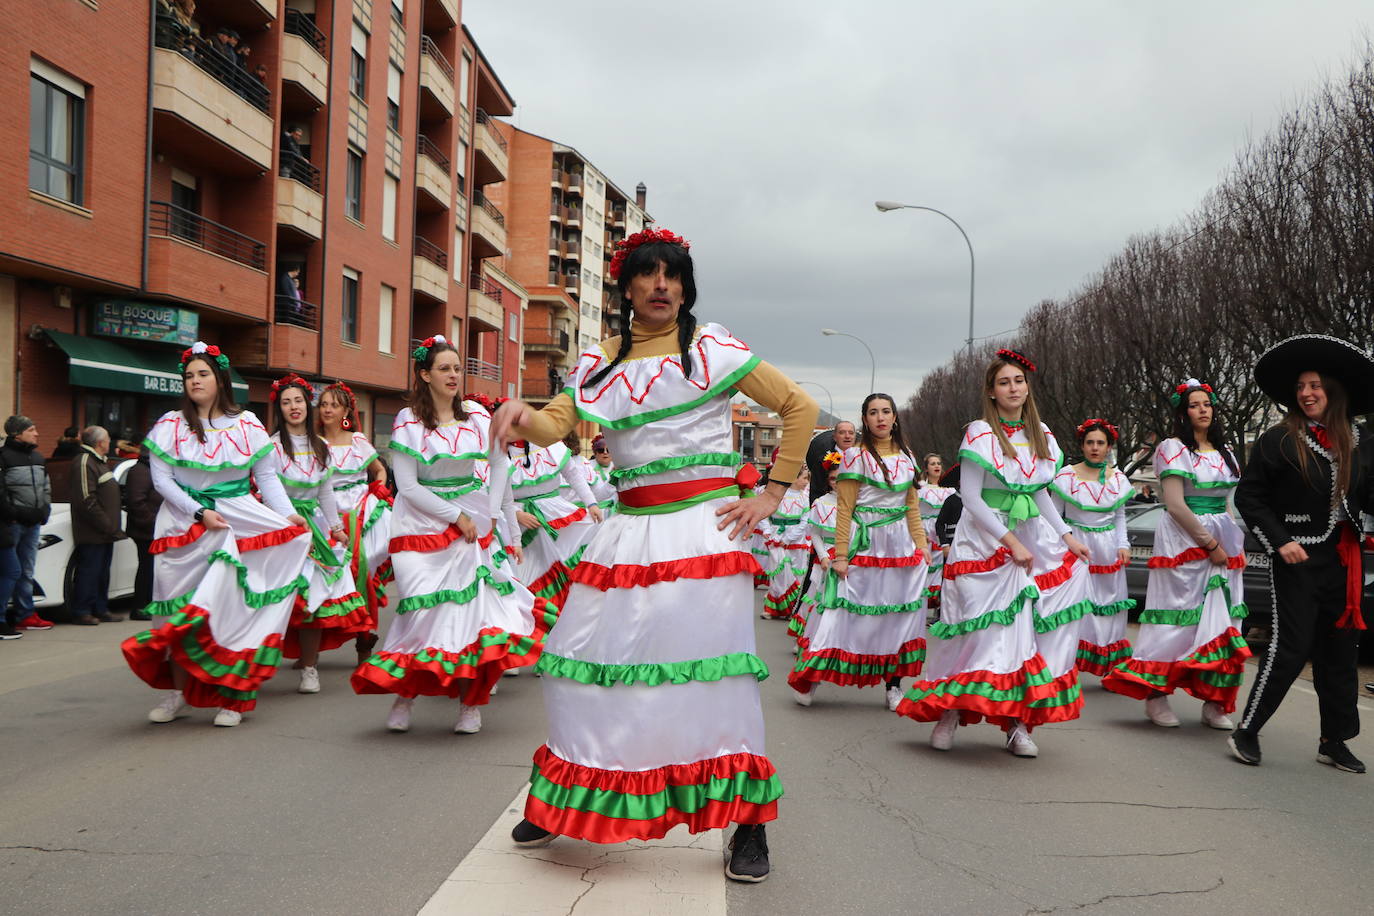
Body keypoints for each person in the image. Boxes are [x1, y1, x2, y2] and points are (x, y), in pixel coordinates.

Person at [491, 227, 818, 883]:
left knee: (710, 675)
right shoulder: (601, 359)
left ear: (685, 286)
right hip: (628, 530)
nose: (662, 284)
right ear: (629, 286)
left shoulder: (711, 349)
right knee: (581, 658)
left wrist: (774, 492)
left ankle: (746, 822)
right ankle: (566, 799)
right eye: (649, 273)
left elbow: (798, 406)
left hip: (702, 533)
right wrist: (518, 413)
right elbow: (555, 424)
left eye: (673, 274)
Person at [350, 336, 550, 734]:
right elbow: (407, 487)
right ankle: (405, 694)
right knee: (423, 613)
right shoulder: (408, 420)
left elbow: (499, 466)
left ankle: (469, 706)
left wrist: (491, 514)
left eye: (457, 368)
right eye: (444, 368)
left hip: (471, 526)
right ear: (425, 375)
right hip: (421, 526)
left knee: (475, 617)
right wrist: (456, 515)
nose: (453, 375)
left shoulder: (477, 415)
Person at [897, 349, 1091, 758]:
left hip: (1025, 538)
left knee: (1020, 632)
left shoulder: (1042, 434)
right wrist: (1011, 542)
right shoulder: (980, 433)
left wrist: (1067, 534)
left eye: (1018, 380)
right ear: (991, 390)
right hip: (982, 541)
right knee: (972, 628)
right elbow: (970, 496)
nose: (1013, 388)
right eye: (1004, 382)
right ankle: (950, 712)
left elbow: (1038, 491)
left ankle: (1016, 724)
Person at [122, 342, 312, 727]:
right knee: (178, 610)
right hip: (181, 524)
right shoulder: (170, 424)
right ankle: (177, 695)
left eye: (202, 373)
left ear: (220, 378)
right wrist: (198, 511)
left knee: (231, 610)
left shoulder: (247, 425)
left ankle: (234, 697)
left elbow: (266, 478)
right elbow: (162, 479)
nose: (195, 380)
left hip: (236, 519)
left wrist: (288, 515)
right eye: (189, 375)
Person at [1229, 336, 1374, 772]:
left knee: (1340, 652)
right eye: (1300, 387)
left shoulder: (1362, 439)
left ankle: (1334, 740)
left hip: (1344, 561)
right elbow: (1249, 499)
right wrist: (1280, 540)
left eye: (1315, 386)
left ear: (1333, 390)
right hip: (1296, 560)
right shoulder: (1280, 439)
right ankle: (1248, 730)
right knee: (1290, 650)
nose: (1307, 394)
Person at [1102, 379, 1248, 729]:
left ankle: (1215, 702)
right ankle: (1156, 696)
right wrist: (1208, 544)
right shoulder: (1172, 447)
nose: (1203, 410)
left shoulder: (1224, 449)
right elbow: (1175, 504)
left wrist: (1228, 541)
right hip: (1184, 540)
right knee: (1175, 617)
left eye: (1207, 404)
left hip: (1223, 537)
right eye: (1195, 405)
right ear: (1183, 413)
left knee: (1223, 619)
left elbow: (1228, 502)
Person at [790, 393, 928, 711]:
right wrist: (840, 555)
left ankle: (893, 685)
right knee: (843, 611)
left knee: (897, 615)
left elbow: (911, 506)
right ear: (865, 419)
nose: (880, 418)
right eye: (873, 413)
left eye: (886, 412)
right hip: (864, 544)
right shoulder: (855, 456)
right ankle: (812, 675)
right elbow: (845, 509)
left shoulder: (907, 456)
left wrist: (921, 545)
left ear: (895, 417)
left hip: (900, 548)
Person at [268, 375, 369, 694]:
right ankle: (257, 663)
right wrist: (290, 522)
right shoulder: (270, 446)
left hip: (317, 527)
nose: (293, 407)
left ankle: (309, 668)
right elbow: (270, 490)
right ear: (279, 409)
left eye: (298, 400)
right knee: (274, 599)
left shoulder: (320, 446)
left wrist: (336, 528)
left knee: (313, 601)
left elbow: (326, 492)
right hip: (282, 524)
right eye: (286, 402)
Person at [1050, 419, 1136, 677]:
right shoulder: (1066, 475)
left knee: (1108, 604)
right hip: (1076, 546)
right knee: (1076, 603)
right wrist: (1060, 546)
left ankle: (1109, 664)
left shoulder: (1118, 479)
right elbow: (1054, 515)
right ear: (1082, 445)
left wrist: (1123, 544)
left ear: (1108, 446)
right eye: (1090, 443)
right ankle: (1068, 662)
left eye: (1100, 443)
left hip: (1108, 548)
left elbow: (1119, 516)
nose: (1095, 448)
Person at [318, 381, 393, 664]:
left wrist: (379, 488)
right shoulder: (313, 443)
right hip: (324, 514)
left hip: (361, 512)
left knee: (362, 573)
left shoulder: (358, 440)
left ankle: (365, 640)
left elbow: (378, 469)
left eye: (334, 405)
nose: (327, 409)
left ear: (346, 411)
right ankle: (310, 646)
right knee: (323, 578)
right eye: (324, 404)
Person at [508, 435, 600, 613]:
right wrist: (516, 513)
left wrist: (591, 503)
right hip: (520, 523)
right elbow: (488, 492)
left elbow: (573, 475)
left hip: (556, 512)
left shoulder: (549, 445)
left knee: (576, 554)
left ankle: (578, 610)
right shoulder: (496, 452)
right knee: (531, 573)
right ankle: (546, 615)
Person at [68, 426, 128, 626]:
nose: (110, 442)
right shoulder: (85, 461)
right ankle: (82, 610)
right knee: (89, 571)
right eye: (108, 439)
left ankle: (100, 608)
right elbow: (86, 499)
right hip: (94, 531)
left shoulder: (100, 462)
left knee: (102, 572)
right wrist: (106, 524)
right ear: (99, 442)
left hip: (106, 532)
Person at [2, 416, 53, 631]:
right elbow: (2, 492)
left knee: (27, 570)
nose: (36, 433)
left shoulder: (38, 458)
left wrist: (44, 511)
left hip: (33, 523)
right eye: (31, 430)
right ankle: (4, 616)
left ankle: (26, 614)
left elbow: (46, 488)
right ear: (17, 433)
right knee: (10, 571)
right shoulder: (4, 458)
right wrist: (13, 514)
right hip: (13, 523)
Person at [789, 451, 841, 648]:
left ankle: (832, 641)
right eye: (833, 479)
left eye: (841, 478)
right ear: (828, 481)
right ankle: (807, 638)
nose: (837, 482)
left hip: (849, 557)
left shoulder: (858, 503)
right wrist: (823, 556)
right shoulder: (821, 503)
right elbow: (815, 533)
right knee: (816, 596)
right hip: (826, 555)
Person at [761, 464, 809, 621]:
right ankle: (773, 608)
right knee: (778, 573)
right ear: (794, 478)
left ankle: (792, 609)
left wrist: (789, 538)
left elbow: (805, 520)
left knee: (796, 573)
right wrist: (768, 532)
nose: (806, 481)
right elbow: (764, 515)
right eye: (804, 478)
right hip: (776, 538)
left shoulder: (805, 497)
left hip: (796, 541)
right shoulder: (778, 496)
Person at [123, 445, 162, 622]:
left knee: (152, 569)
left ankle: (148, 604)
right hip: (146, 530)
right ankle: (139, 607)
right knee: (146, 569)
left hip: (153, 529)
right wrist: (153, 523)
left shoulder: (151, 469)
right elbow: (136, 502)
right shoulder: (140, 471)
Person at [917, 452, 955, 615]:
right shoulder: (920, 488)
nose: (937, 466)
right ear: (926, 469)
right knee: (925, 568)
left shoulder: (949, 489)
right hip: (926, 529)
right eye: (932, 464)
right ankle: (921, 607)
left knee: (942, 569)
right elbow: (914, 511)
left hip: (943, 530)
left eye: (938, 463)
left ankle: (940, 608)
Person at [586, 434, 616, 518]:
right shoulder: (588, 467)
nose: (605, 452)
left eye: (608, 450)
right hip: (596, 514)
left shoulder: (617, 466)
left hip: (615, 513)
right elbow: (596, 496)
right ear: (595, 453)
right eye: (601, 450)